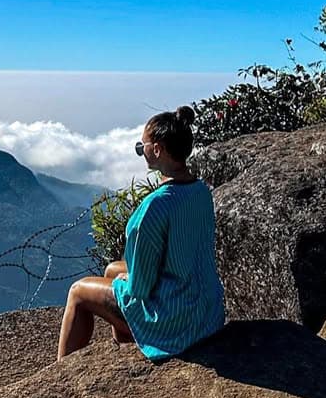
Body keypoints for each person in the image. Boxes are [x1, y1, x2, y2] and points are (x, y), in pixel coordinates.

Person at [57, 106, 225, 361]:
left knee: (78, 292)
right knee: (113, 269)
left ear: (157, 150)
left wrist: (129, 279)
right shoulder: (200, 191)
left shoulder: (155, 208)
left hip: (175, 321)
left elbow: (141, 289)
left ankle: (62, 375)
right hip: (206, 312)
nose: (140, 151)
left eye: (141, 146)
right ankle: (126, 346)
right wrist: (125, 275)